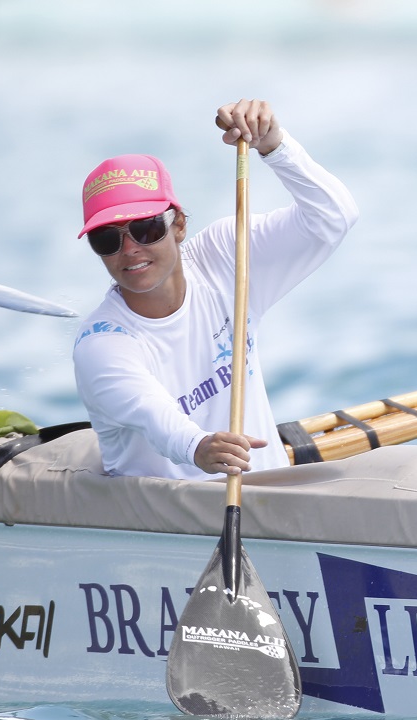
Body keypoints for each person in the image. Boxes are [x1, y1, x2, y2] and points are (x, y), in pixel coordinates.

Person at [72, 99, 359, 480]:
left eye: (146, 229)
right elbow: (155, 416)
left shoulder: (225, 256)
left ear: (178, 226)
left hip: (269, 491)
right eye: (106, 239)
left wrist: (274, 146)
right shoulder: (101, 345)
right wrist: (199, 447)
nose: (129, 249)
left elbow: (334, 218)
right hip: (173, 519)